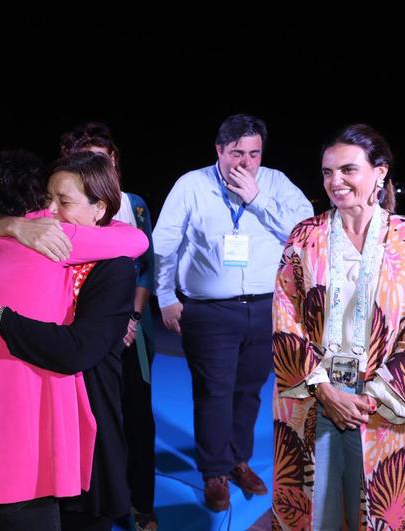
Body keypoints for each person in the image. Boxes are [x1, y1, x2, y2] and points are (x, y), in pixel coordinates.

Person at [0, 150, 148, 531]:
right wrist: (15, 226)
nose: (50, 211)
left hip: (74, 424)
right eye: (46, 198)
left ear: (99, 208)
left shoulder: (104, 262)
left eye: (63, 201)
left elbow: (135, 242)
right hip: (33, 428)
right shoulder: (39, 236)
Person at [153, 114, 313, 511]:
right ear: (219, 150)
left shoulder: (275, 183)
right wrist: (165, 297)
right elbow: (164, 244)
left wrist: (257, 200)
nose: (245, 162)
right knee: (213, 392)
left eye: (254, 153)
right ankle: (214, 473)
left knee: (248, 391)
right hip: (209, 311)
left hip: (265, 307)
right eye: (236, 152)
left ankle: (238, 461)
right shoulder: (192, 185)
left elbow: (306, 231)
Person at [272, 124, 405, 530]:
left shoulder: (403, 239)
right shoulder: (304, 237)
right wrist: (325, 388)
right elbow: (285, 313)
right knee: (316, 507)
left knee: (376, 509)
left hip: (382, 403)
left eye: (348, 170)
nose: (335, 181)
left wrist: (377, 391)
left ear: (379, 172)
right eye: (328, 172)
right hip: (314, 394)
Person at [60, 122, 157, 530]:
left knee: (137, 416)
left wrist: (132, 320)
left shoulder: (133, 206)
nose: (102, 166)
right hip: (88, 330)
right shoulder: (67, 208)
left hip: (132, 331)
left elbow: (147, 269)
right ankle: (98, 500)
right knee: (93, 417)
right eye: (91, 160)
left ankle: (141, 505)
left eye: (107, 159)